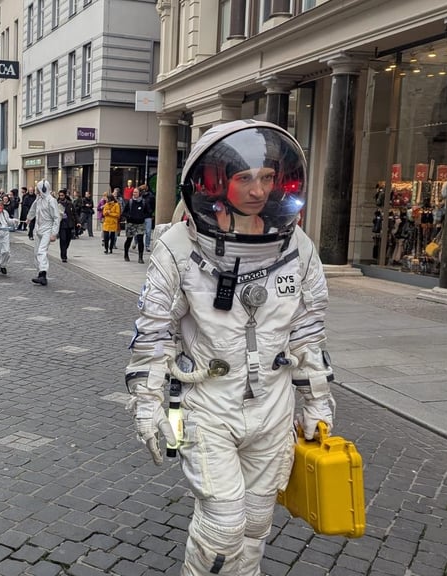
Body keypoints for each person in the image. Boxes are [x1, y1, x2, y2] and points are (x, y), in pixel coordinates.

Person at [126, 120, 334, 576]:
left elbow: (307, 331)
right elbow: (154, 331)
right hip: (208, 403)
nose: (258, 190)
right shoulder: (180, 247)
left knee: (256, 524)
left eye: (266, 177)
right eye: (244, 178)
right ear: (217, 181)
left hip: (273, 409)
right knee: (223, 527)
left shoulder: (297, 246)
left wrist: (316, 402)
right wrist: (147, 404)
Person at [26, 180, 60, 286]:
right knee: (36, 252)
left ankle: (43, 274)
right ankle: (40, 273)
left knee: (42, 251)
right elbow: (33, 209)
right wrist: (29, 218)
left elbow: (56, 217)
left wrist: (54, 233)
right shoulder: (39, 199)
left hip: (47, 229)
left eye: (38, 188)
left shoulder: (51, 200)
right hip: (38, 229)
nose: (36, 190)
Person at [123, 187, 148, 264]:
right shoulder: (130, 202)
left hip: (140, 223)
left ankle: (140, 257)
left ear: (139, 193)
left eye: (136, 192)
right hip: (131, 223)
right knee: (129, 239)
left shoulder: (143, 202)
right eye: (134, 192)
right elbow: (124, 212)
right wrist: (129, 216)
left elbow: (148, 212)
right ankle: (126, 254)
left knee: (140, 240)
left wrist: (142, 216)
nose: (134, 194)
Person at [56, 189, 77, 262]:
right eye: (60, 195)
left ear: (65, 195)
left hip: (69, 224)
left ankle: (65, 249)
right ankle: (63, 256)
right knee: (63, 240)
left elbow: (74, 214)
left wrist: (78, 222)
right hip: (61, 225)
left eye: (62, 195)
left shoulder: (69, 203)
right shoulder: (57, 203)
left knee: (68, 239)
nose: (61, 197)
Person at [140, 184, 155, 251]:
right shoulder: (139, 196)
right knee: (139, 231)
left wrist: (151, 212)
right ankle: (137, 242)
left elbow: (153, 205)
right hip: (140, 216)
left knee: (148, 232)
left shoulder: (151, 196)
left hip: (148, 216)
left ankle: (147, 245)